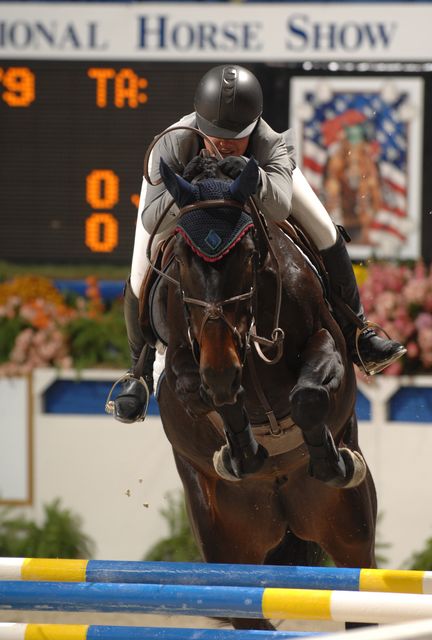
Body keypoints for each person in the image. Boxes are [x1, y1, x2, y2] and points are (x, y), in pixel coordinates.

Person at [110, 64, 406, 424]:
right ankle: (138, 373)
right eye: (215, 134)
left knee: (325, 229)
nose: (223, 143)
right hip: (179, 188)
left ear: (254, 127)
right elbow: (151, 217)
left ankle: (358, 333)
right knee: (140, 265)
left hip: (264, 175)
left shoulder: (269, 142)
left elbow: (279, 205)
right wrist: (185, 189)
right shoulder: (172, 143)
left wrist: (255, 179)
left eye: (235, 136)